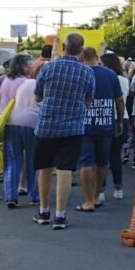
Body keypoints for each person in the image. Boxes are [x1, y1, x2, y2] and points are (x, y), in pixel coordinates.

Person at [33, 33, 94, 231]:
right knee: (65, 170)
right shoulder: (86, 72)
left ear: (64, 46)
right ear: (82, 49)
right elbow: (88, 101)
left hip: (47, 125)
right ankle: (60, 215)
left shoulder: (48, 68)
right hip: (73, 127)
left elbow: (37, 97)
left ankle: (43, 211)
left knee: (44, 168)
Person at [75, 48, 123, 212]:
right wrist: (119, 120)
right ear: (97, 57)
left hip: (85, 124)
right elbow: (119, 100)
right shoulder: (110, 75)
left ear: (82, 58)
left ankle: (88, 200)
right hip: (106, 122)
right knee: (102, 161)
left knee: (86, 162)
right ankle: (96, 196)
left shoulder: (80, 73)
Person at [0, 54, 36, 207]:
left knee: (12, 160)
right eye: (29, 64)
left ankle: (10, 196)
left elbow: (0, 102)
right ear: (22, 66)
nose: (31, 67)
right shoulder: (27, 82)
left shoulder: (5, 81)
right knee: (32, 160)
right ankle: (34, 195)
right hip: (28, 122)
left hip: (8, 122)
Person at [100, 52, 130, 200]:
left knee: (102, 156)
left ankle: (101, 190)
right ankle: (118, 188)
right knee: (115, 155)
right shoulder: (124, 80)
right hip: (123, 117)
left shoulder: (105, 78)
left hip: (107, 116)